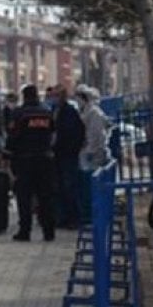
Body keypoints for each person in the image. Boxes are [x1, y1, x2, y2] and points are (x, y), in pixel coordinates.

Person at [6, 85, 56, 242]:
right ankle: (49, 231)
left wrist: (8, 152)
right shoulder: (47, 113)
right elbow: (53, 134)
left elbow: (12, 136)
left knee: (24, 197)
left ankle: (25, 231)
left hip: (25, 160)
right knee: (45, 196)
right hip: (45, 159)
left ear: (25, 97)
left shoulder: (19, 113)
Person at [51, 85, 85, 229]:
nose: (54, 98)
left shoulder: (70, 112)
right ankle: (62, 217)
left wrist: (71, 149)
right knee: (59, 187)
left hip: (68, 154)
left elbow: (76, 133)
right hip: (57, 155)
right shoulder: (54, 111)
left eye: (57, 95)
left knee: (69, 186)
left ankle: (74, 218)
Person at [76, 86, 111, 225]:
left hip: (93, 154)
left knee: (91, 187)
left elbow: (97, 135)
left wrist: (92, 151)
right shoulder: (87, 111)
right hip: (86, 152)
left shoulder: (94, 113)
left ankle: (91, 215)